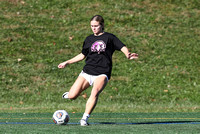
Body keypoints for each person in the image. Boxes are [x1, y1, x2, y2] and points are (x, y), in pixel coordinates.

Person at [58, 15, 138, 126]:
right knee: (72, 96)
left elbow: (122, 46)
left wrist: (127, 54)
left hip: (102, 72)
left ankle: (84, 119)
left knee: (94, 92)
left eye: (96, 26)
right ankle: (71, 94)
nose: (93, 28)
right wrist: (67, 62)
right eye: (91, 26)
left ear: (102, 25)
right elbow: (82, 55)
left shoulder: (110, 38)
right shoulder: (88, 39)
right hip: (87, 71)